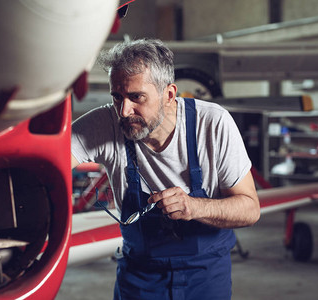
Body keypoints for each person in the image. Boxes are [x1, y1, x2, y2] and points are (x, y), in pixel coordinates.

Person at [71, 38, 260, 300]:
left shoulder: (213, 123)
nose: (124, 111)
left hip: (205, 277)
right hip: (140, 277)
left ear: (169, 94)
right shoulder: (107, 123)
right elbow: (44, 163)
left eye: (136, 97)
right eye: (117, 97)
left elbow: (250, 209)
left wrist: (195, 207)